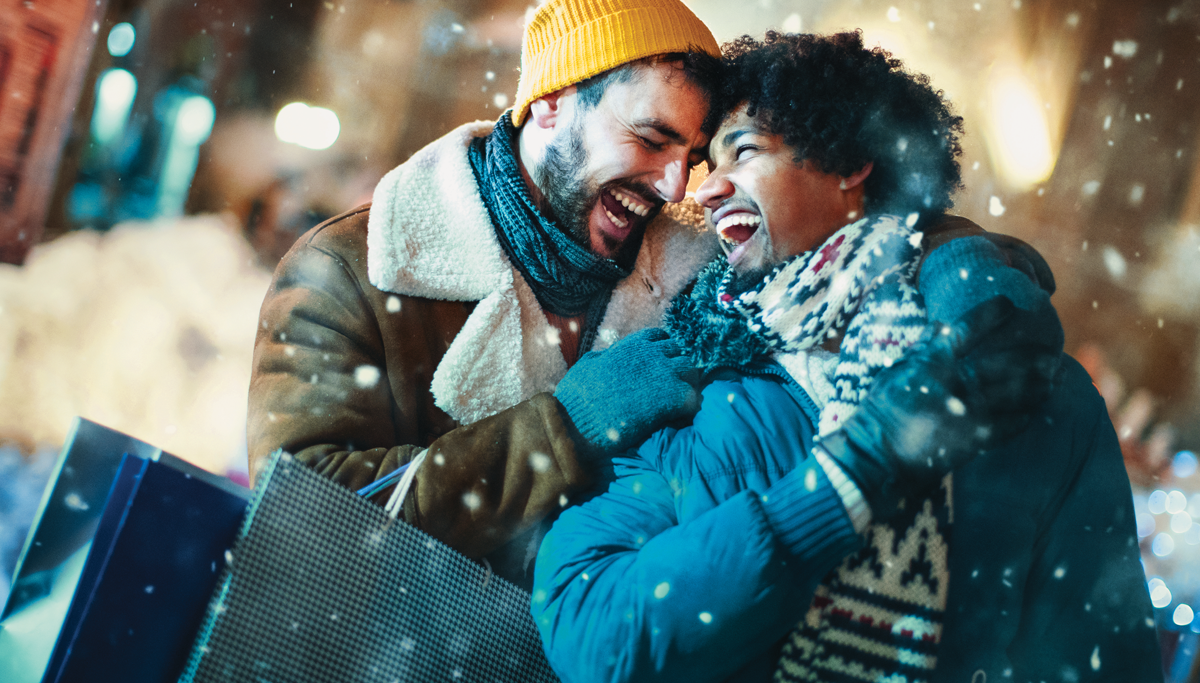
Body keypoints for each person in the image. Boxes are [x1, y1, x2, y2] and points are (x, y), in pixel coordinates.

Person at [531, 31, 1159, 682]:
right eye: (708, 165)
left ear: (850, 162)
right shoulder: (701, 372)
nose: (708, 189)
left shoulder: (1039, 392)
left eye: (741, 152)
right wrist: (839, 489)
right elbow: (590, 626)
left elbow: (1099, 656)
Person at [246, 0, 724, 589]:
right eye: (652, 139)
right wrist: (566, 430)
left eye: (691, 158)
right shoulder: (351, 267)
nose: (675, 185)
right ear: (552, 102)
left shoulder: (694, 289)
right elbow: (302, 519)